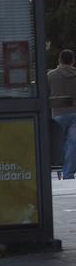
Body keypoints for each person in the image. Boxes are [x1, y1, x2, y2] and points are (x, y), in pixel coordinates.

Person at [50, 50, 76, 179]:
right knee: (72, 144)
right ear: (73, 61)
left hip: (57, 116)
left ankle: (58, 167)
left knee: (58, 144)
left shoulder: (50, 75)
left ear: (59, 60)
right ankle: (68, 173)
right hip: (75, 115)